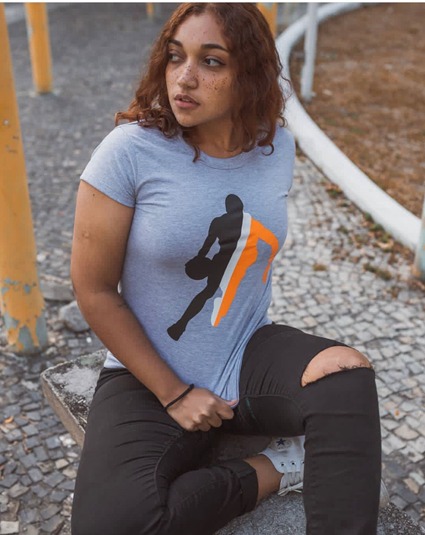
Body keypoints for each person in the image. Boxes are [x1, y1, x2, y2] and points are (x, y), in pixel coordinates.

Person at [70, 4, 382, 535]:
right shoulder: (130, 152)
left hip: (245, 354)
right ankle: (278, 467)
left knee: (346, 379)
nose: (184, 78)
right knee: (111, 525)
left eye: (211, 61)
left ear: (250, 74)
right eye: (176, 57)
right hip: (146, 374)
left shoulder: (275, 147)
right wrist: (174, 393)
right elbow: (93, 288)